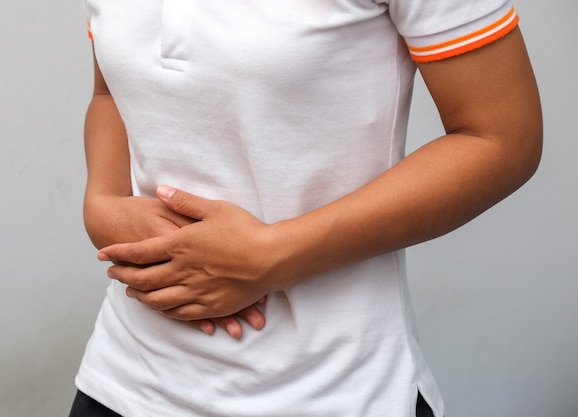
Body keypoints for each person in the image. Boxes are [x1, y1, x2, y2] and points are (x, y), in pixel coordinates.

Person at [70, 1, 542, 416]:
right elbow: (109, 91)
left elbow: (501, 138)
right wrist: (101, 208)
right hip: (126, 383)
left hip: (333, 390)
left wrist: (271, 256)